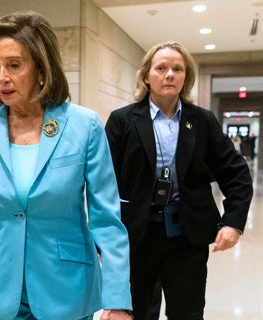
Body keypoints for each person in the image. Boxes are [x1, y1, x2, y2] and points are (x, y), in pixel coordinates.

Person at [0, 11, 133, 320]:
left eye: (14, 65)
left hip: (66, 289)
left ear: (40, 66)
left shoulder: (83, 125)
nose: (2, 77)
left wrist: (117, 299)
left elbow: (106, 218)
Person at [105, 41, 253, 319]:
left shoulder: (202, 121)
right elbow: (103, 184)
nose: (169, 74)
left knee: (187, 313)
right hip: (137, 235)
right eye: (161, 68)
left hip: (188, 235)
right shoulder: (122, 121)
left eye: (177, 69)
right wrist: (104, 239)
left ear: (186, 77)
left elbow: (236, 173)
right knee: (136, 312)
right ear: (146, 75)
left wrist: (233, 221)